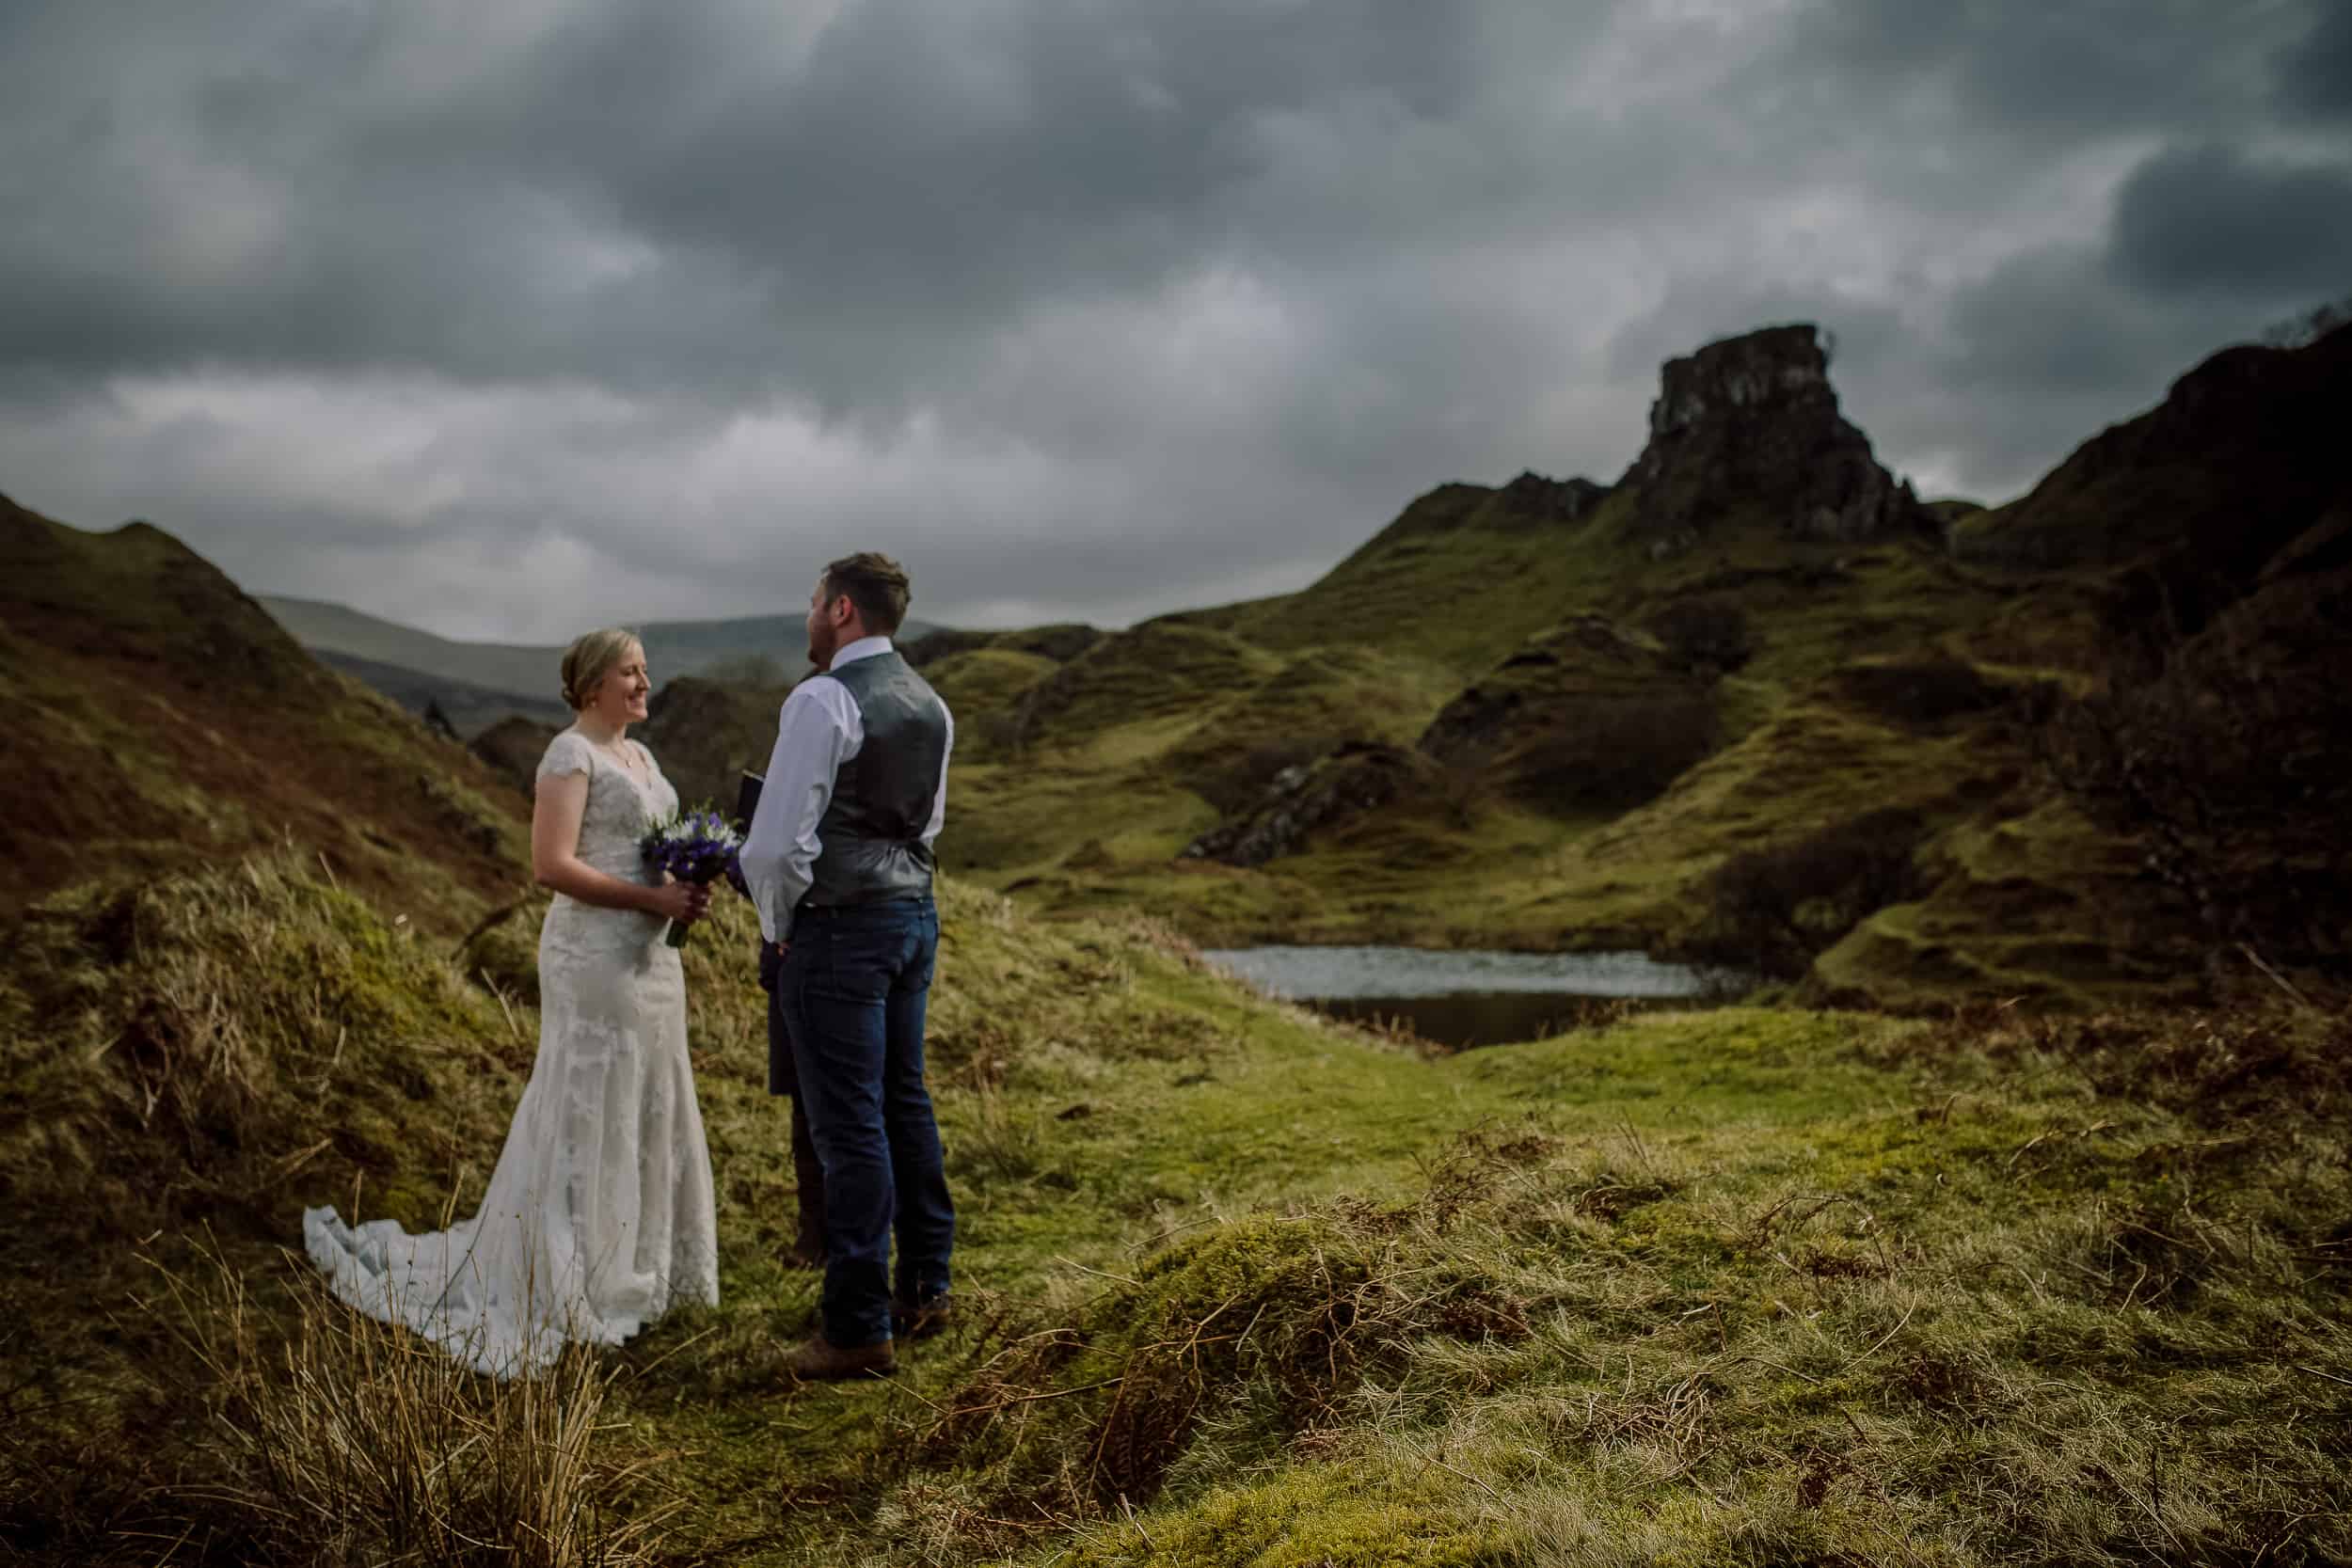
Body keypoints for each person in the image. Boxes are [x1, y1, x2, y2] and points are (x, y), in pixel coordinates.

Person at [302, 629, 720, 1375]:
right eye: (631, 671)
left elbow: (648, 844)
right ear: (594, 683)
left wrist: (686, 881)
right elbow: (549, 864)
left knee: (649, 1091)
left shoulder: (643, 757)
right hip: (592, 955)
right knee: (591, 1094)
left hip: (653, 958)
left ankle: (641, 1260)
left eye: (645, 670)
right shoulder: (569, 755)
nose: (644, 682)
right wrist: (648, 896)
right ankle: (576, 1268)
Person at [739, 553, 955, 1380]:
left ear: (839, 610)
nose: (807, 616)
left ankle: (859, 1324)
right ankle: (927, 1284)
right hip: (912, 918)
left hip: (837, 929)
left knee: (849, 1125)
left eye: (811, 601)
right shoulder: (930, 702)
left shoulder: (823, 698)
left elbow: (776, 842)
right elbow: (924, 826)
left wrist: (782, 922)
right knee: (905, 1099)